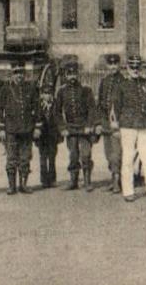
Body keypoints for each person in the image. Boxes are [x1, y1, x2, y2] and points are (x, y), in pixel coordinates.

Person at [111, 53, 146, 203]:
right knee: (127, 159)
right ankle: (128, 192)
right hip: (127, 126)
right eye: (132, 67)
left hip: (144, 125)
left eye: (137, 67)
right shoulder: (121, 85)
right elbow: (115, 106)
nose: (135, 69)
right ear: (127, 68)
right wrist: (115, 125)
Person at [57, 57, 99, 192]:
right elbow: (57, 112)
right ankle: (73, 181)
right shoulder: (61, 91)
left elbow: (92, 109)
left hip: (84, 128)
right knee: (73, 155)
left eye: (74, 74)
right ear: (66, 75)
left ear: (78, 74)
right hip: (70, 128)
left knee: (86, 155)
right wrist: (62, 127)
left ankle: (87, 181)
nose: (72, 77)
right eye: (69, 74)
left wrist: (89, 125)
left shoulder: (86, 90)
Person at [0, 59, 38, 195]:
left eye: (22, 73)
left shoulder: (31, 88)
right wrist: (1, 129)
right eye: (16, 73)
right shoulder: (5, 89)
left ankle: (23, 185)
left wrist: (37, 127)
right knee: (11, 158)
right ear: (12, 74)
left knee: (25, 157)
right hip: (11, 129)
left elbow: (37, 108)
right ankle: (11, 186)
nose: (19, 76)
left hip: (27, 128)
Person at [97, 53, 123, 194]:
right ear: (107, 65)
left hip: (118, 123)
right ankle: (113, 178)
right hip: (107, 122)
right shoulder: (104, 81)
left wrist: (120, 123)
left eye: (115, 64)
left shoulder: (123, 81)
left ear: (119, 65)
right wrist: (100, 122)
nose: (113, 67)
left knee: (116, 153)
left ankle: (117, 181)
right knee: (108, 153)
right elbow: (100, 103)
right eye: (110, 64)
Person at [36, 69, 61, 189]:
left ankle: (52, 178)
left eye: (50, 93)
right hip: (42, 136)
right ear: (41, 95)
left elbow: (59, 118)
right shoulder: (38, 106)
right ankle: (43, 180)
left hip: (52, 135)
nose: (48, 96)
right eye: (45, 93)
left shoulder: (56, 105)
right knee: (42, 157)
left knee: (52, 157)